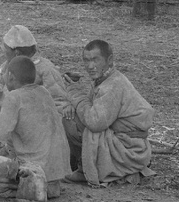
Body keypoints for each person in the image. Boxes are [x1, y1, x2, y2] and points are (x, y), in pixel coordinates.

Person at [63, 40, 156, 186]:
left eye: (95, 60)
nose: (90, 66)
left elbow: (95, 123)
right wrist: (72, 105)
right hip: (125, 143)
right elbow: (90, 106)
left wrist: (75, 94)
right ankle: (82, 165)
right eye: (86, 60)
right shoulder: (104, 79)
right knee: (71, 114)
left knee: (70, 122)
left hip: (129, 150)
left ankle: (86, 169)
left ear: (109, 60)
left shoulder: (113, 85)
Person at [0, 57, 69, 202]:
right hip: (56, 175)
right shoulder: (44, 92)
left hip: (35, 172)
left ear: (11, 76)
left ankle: (28, 188)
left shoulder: (13, 98)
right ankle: (44, 187)